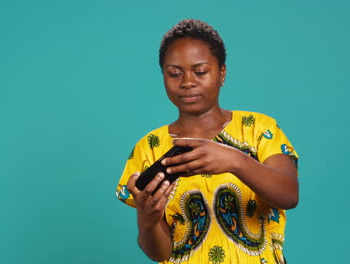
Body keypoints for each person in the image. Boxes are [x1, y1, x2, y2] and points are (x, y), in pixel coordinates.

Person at [115, 19, 299, 264]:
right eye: (174, 73)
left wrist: (236, 161)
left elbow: (289, 195)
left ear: (221, 72)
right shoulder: (149, 148)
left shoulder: (258, 129)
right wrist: (147, 221)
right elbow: (160, 253)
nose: (187, 82)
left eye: (200, 71)